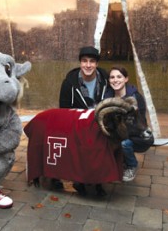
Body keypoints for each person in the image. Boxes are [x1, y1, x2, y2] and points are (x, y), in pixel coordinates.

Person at [58, 46, 108, 196]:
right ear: (80, 63)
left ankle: (99, 179)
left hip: (100, 124)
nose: (88, 65)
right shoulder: (69, 83)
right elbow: (64, 111)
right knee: (83, 143)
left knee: (103, 142)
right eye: (84, 61)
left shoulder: (106, 80)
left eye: (92, 61)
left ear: (96, 64)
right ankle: (80, 180)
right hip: (78, 125)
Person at [105, 66, 148, 182]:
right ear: (109, 81)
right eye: (112, 77)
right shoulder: (107, 97)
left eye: (119, 76)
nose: (115, 80)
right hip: (115, 132)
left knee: (124, 143)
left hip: (133, 134)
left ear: (126, 79)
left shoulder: (136, 97)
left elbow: (141, 123)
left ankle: (131, 165)